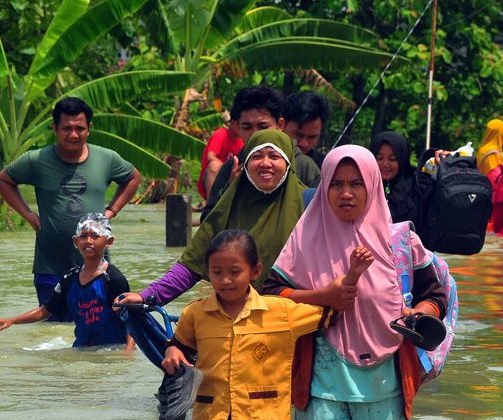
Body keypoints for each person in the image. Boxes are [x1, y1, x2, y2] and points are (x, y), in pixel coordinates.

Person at [264, 145, 449, 420]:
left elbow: (434, 293)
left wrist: (418, 314)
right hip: (319, 383)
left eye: (356, 183)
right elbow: (270, 296)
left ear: (372, 185)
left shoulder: (402, 242)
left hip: (385, 383)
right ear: (324, 188)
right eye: (336, 184)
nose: (345, 193)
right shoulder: (303, 238)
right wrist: (323, 297)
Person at [116, 130, 352, 315]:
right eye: (257, 156)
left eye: (275, 156)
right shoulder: (228, 206)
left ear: (288, 162)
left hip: (296, 319)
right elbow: (192, 266)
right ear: (246, 163)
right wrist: (148, 295)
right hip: (235, 318)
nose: (266, 163)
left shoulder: (313, 204)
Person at [160, 229, 341, 420]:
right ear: (208, 272)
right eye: (217, 272)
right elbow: (178, 345)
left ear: (255, 271)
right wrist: (173, 353)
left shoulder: (281, 311)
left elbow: (333, 311)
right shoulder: (195, 313)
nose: (225, 280)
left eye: (235, 272)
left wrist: (348, 277)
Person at [0, 97, 141, 314]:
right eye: (67, 128)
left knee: (98, 330)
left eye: (80, 128)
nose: (73, 134)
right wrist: (28, 215)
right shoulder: (37, 160)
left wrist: (111, 212)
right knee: (52, 332)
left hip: (96, 267)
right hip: (50, 266)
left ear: (89, 129)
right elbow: (3, 179)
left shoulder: (106, 158)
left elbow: (133, 177)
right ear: (55, 128)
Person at [0, 213, 133, 349]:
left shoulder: (114, 278)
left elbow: (133, 318)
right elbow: (45, 311)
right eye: (83, 236)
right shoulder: (70, 278)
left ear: (109, 242)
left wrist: (128, 350)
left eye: (95, 236)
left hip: (112, 350)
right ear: (75, 241)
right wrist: (12, 320)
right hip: (82, 349)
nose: (88, 241)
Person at [203, 86, 321, 215]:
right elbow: (208, 223)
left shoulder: (304, 167)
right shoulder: (232, 168)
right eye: (247, 127)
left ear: (280, 125)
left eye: (263, 126)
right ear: (237, 127)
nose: (255, 134)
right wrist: (229, 191)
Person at [368, 131, 424, 227]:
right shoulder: (363, 186)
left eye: (392, 159)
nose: (385, 164)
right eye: (379, 158)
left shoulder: (417, 186)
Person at [196, 118, 243, 203]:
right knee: (214, 165)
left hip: (232, 180)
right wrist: (225, 169)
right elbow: (210, 156)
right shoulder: (220, 134)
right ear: (233, 123)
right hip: (213, 178)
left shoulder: (242, 140)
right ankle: (212, 205)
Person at [281, 90, 330, 168]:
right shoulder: (262, 161)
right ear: (281, 125)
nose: (304, 144)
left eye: (312, 137)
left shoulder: (325, 168)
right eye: (297, 134)